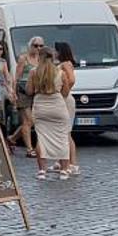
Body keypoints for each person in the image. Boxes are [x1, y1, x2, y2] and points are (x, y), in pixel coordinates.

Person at [29, 49, 74, 180]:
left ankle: (42, 170)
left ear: (39, 57)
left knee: (41, 138)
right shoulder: (60, 73)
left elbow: (29, 90)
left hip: (40, 106)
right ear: (53, 57)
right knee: (62, 137)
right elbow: (65, 93)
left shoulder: (33, 72)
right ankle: (64, 170)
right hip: (57, 106)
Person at [11, 37, 45, 156]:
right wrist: (14, 93)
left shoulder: (41, 59)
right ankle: (29, 149)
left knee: (30, 121)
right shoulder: (23, 58)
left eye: (41, 46)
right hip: (23, 92)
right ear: (30, 46)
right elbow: (17, 77)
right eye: (36, 45)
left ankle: (12, 138)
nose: (38, 48)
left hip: (36, 93)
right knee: (29, 120)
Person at [54, 41, 81, 176]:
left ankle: (72, 163)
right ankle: (63, 161)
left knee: (66, 132)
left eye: (56, 50)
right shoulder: (63, 64)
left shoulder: (65, 64)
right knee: (62, 132)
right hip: (62, 99)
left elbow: (71, 80)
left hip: (65, 100)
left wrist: (63, 91)